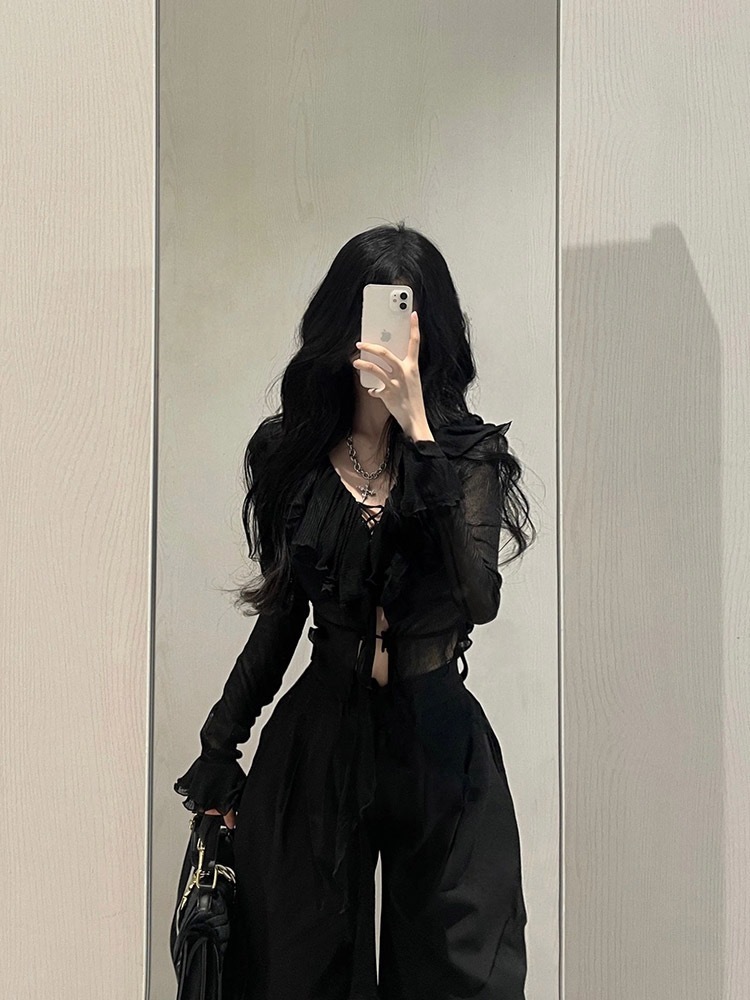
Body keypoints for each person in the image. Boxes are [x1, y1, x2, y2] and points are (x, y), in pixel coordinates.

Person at [174, 221, 536, 999]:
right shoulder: (295, 454)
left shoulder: (467, 456)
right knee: (301, 966)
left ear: (430, 333)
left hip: (437, 739)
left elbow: (479, 597)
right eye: (369, 323)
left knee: (458, 969)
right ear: (341, 329)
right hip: (322, 737)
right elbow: (282, 615)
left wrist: (419, 432)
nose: (384, 346)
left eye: (404, 325)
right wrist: (220, 743)